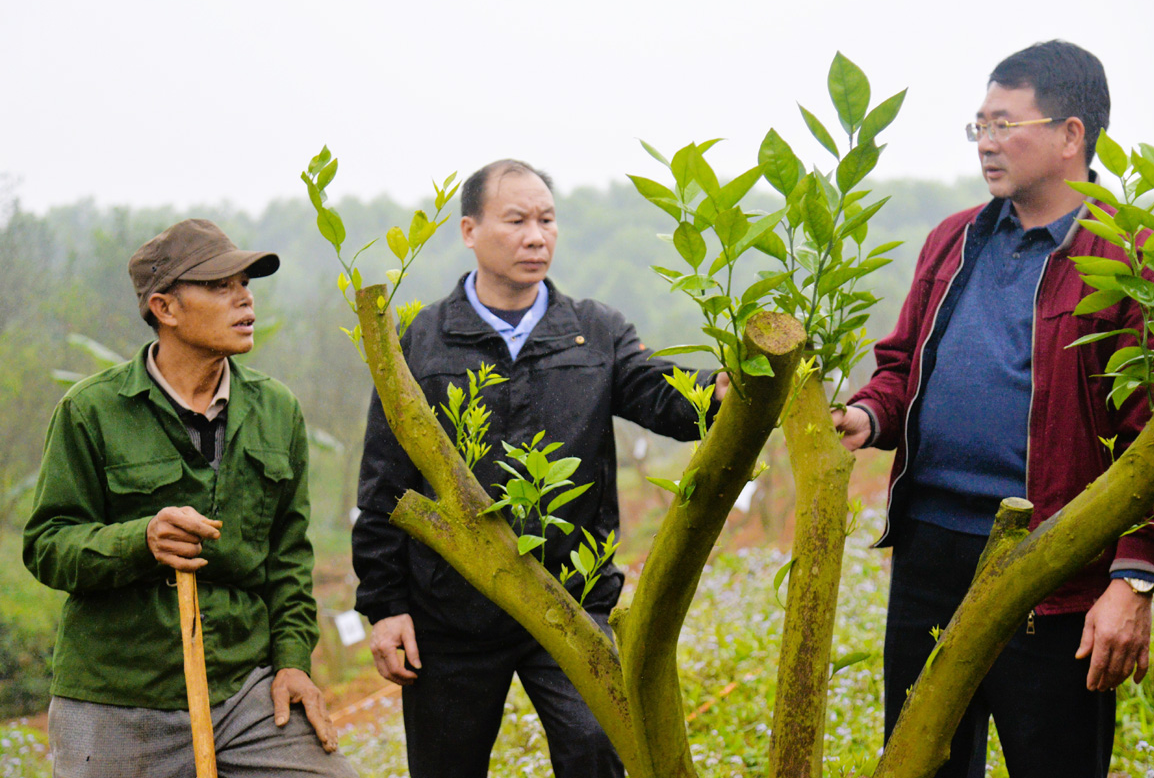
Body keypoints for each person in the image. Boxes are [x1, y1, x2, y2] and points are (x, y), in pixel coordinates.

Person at [833, 40, 1154, 777]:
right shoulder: (955, 239)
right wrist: (868, 415)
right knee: (917, 759)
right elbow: (903, 369)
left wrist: (1133, 575)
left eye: (1005, 124)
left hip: (1053, 568)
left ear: (1071, 135)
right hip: (931, 554)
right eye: (979, 126)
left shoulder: (1137, 257)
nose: (987, 144)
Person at [353, 158, 728, 777]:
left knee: (596, 751)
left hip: (571, 599)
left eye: (548, 220)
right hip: (451, 609)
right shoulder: (424, 340)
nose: (536, 236)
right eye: (517, 220)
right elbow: (385, 481)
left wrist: (725, 390)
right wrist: (384, 604)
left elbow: (667, 395)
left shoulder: (593, 332)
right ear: (470, 230)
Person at [24, 219, 355, 778]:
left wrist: (294, 663)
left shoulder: (277, 411)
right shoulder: (91, 411)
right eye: (221, 285)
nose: (244, 297)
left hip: (244, 692)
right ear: (165, 308)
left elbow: (289, 559)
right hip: (117, 699)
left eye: (245, 283)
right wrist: (140, 539)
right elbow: (48, 545)